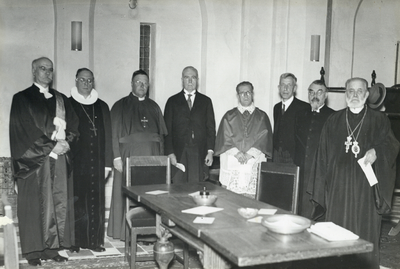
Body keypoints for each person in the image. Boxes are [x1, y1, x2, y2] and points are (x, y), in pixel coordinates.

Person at [308, 77, 399, 268]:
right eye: (350, 91)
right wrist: (321, 190)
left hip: (366, 192)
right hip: (337, 191)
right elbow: (322, 157)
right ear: (345, 94)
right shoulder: (334, 120)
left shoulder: (379, 120)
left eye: (359, 91)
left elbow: (391, 146)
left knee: (364, 233)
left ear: (366, 94)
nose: (355, 95)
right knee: (336, 233)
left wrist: (377, 151)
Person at [9, 57, 79, 266]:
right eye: (42, 69)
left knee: (56, 203)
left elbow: (74, 125)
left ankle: (52, 248)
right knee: (34, 205)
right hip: (34, 162)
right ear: (33, 71)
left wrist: (67, 141)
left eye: (50, 70)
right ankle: (33, 252)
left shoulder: (62, 99)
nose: (47, 73)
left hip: (58, 160)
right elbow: (23, 130)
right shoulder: (22, 98)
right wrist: (50, 146)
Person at [107, 69, 167, 240]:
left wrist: (162, 160)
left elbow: (161, 137)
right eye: (138, 82)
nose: (142, 85)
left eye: (145, 83)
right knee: (127, 195)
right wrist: (116, 157)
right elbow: (113, 134)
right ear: (132, 83)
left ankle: (148, 234)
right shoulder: (120, 105)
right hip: (128, 158)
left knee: (150, 196)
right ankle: (124, 233)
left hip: (152, 158)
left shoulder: (154, 106)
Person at [69, 68, 112, 252]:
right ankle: (75, 241)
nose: (86, 83)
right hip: (76, 163)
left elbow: (108, 136)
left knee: (96, 203)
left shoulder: (102, 105)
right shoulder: (68, 104)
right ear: (76, 80)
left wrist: (108, 164)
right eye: (83, 80)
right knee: (77, 202)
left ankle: (95, 241)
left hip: (98, 162)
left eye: (89, 80)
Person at [214, 81, 273, 198]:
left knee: (251, 202)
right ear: (238, 96)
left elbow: (264, 138)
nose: (245, 95)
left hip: (253, 161)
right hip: (233, 161)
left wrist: (250, 154)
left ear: (252, 94)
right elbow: (224, 137)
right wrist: (236, 153)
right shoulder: (229, 116)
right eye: (242, 93)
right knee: (230, 201)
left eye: (248, 92)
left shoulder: (262, 116)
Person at [164, 66, 216, 183]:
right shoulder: (172, 101)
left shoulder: (206, 101)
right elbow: (167, 130)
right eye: (187, 77)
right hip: (179, 151)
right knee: (178, 185)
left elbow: (210, 128)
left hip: (198, 151)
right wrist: (170, 153)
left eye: (193, 77)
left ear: (197, 80)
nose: (190, 81)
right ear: (182, 80)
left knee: (196, 185)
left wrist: (210, 151)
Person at [293, 80, 334, 218]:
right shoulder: (300, 114)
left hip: (320, 172)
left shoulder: (333, 116)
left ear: (326, 95)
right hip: (302, 170)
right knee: (300, 208)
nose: (314, 96)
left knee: (317, 212)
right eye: (311, 92)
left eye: (319, 92)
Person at [273, 73, 309, 163]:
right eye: (283, 85)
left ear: (294, 88)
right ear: (279, 88)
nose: (285, 88)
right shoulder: (276, 107)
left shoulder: (304, 107)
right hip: (277, 155)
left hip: (294, 157)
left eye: (289, 85)